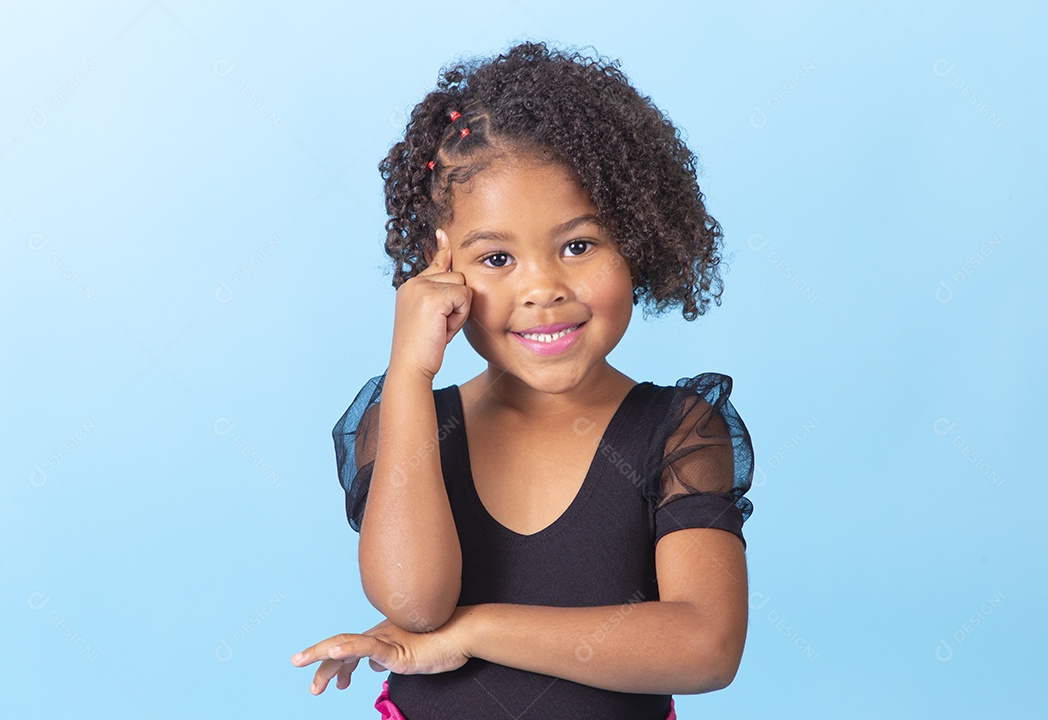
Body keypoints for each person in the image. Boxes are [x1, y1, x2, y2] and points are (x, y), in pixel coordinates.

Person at [291, 40, 755, 720]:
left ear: (637, 237)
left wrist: (474, 632)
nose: (542, 288)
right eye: (498, 257)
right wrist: (411, 371)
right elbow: (415, 604)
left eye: (578, 245)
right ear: (440, 266)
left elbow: (706, 646)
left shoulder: (677, 430)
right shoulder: (408, 418)